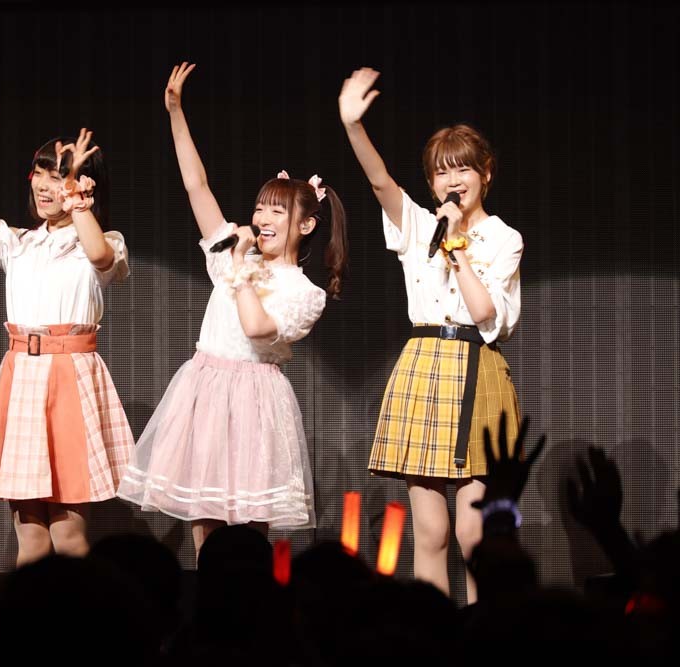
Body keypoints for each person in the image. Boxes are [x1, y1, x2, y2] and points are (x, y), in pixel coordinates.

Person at [117, 63, 348, 559]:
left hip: (254, 400)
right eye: (260, 207)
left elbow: (257, 327)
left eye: (277, 211)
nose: (262, 217)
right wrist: (176, 113)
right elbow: (196, 186)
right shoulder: (232, 253)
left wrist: (240, 265)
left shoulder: (304, 291)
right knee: (204, 518)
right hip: (204, 387)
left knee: (247, 528)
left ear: (306, 225)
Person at [339, 67, 523, 602]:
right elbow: (380, 182)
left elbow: (486, 313)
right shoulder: (419, 224)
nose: (452, 180)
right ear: (431, 183)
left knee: (472, 531)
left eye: (463, 168)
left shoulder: (504, 238)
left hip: (476, 368)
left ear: (485, 173)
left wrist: (457, 245)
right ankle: (433, 631)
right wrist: (352, 125)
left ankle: (484, 630)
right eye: (442, 172)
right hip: (423, 364)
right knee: (431, 530)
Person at [0, 108, 133, 566]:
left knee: (69, 536)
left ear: (85, 185)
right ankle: (30, 615)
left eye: (59, 175)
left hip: (71, 381)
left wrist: (79, 202)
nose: (46, 186)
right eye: (40, 173)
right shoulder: (18, 242)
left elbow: (101, 257)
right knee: (31, 538)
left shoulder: (102, 241)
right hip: (23, 379)